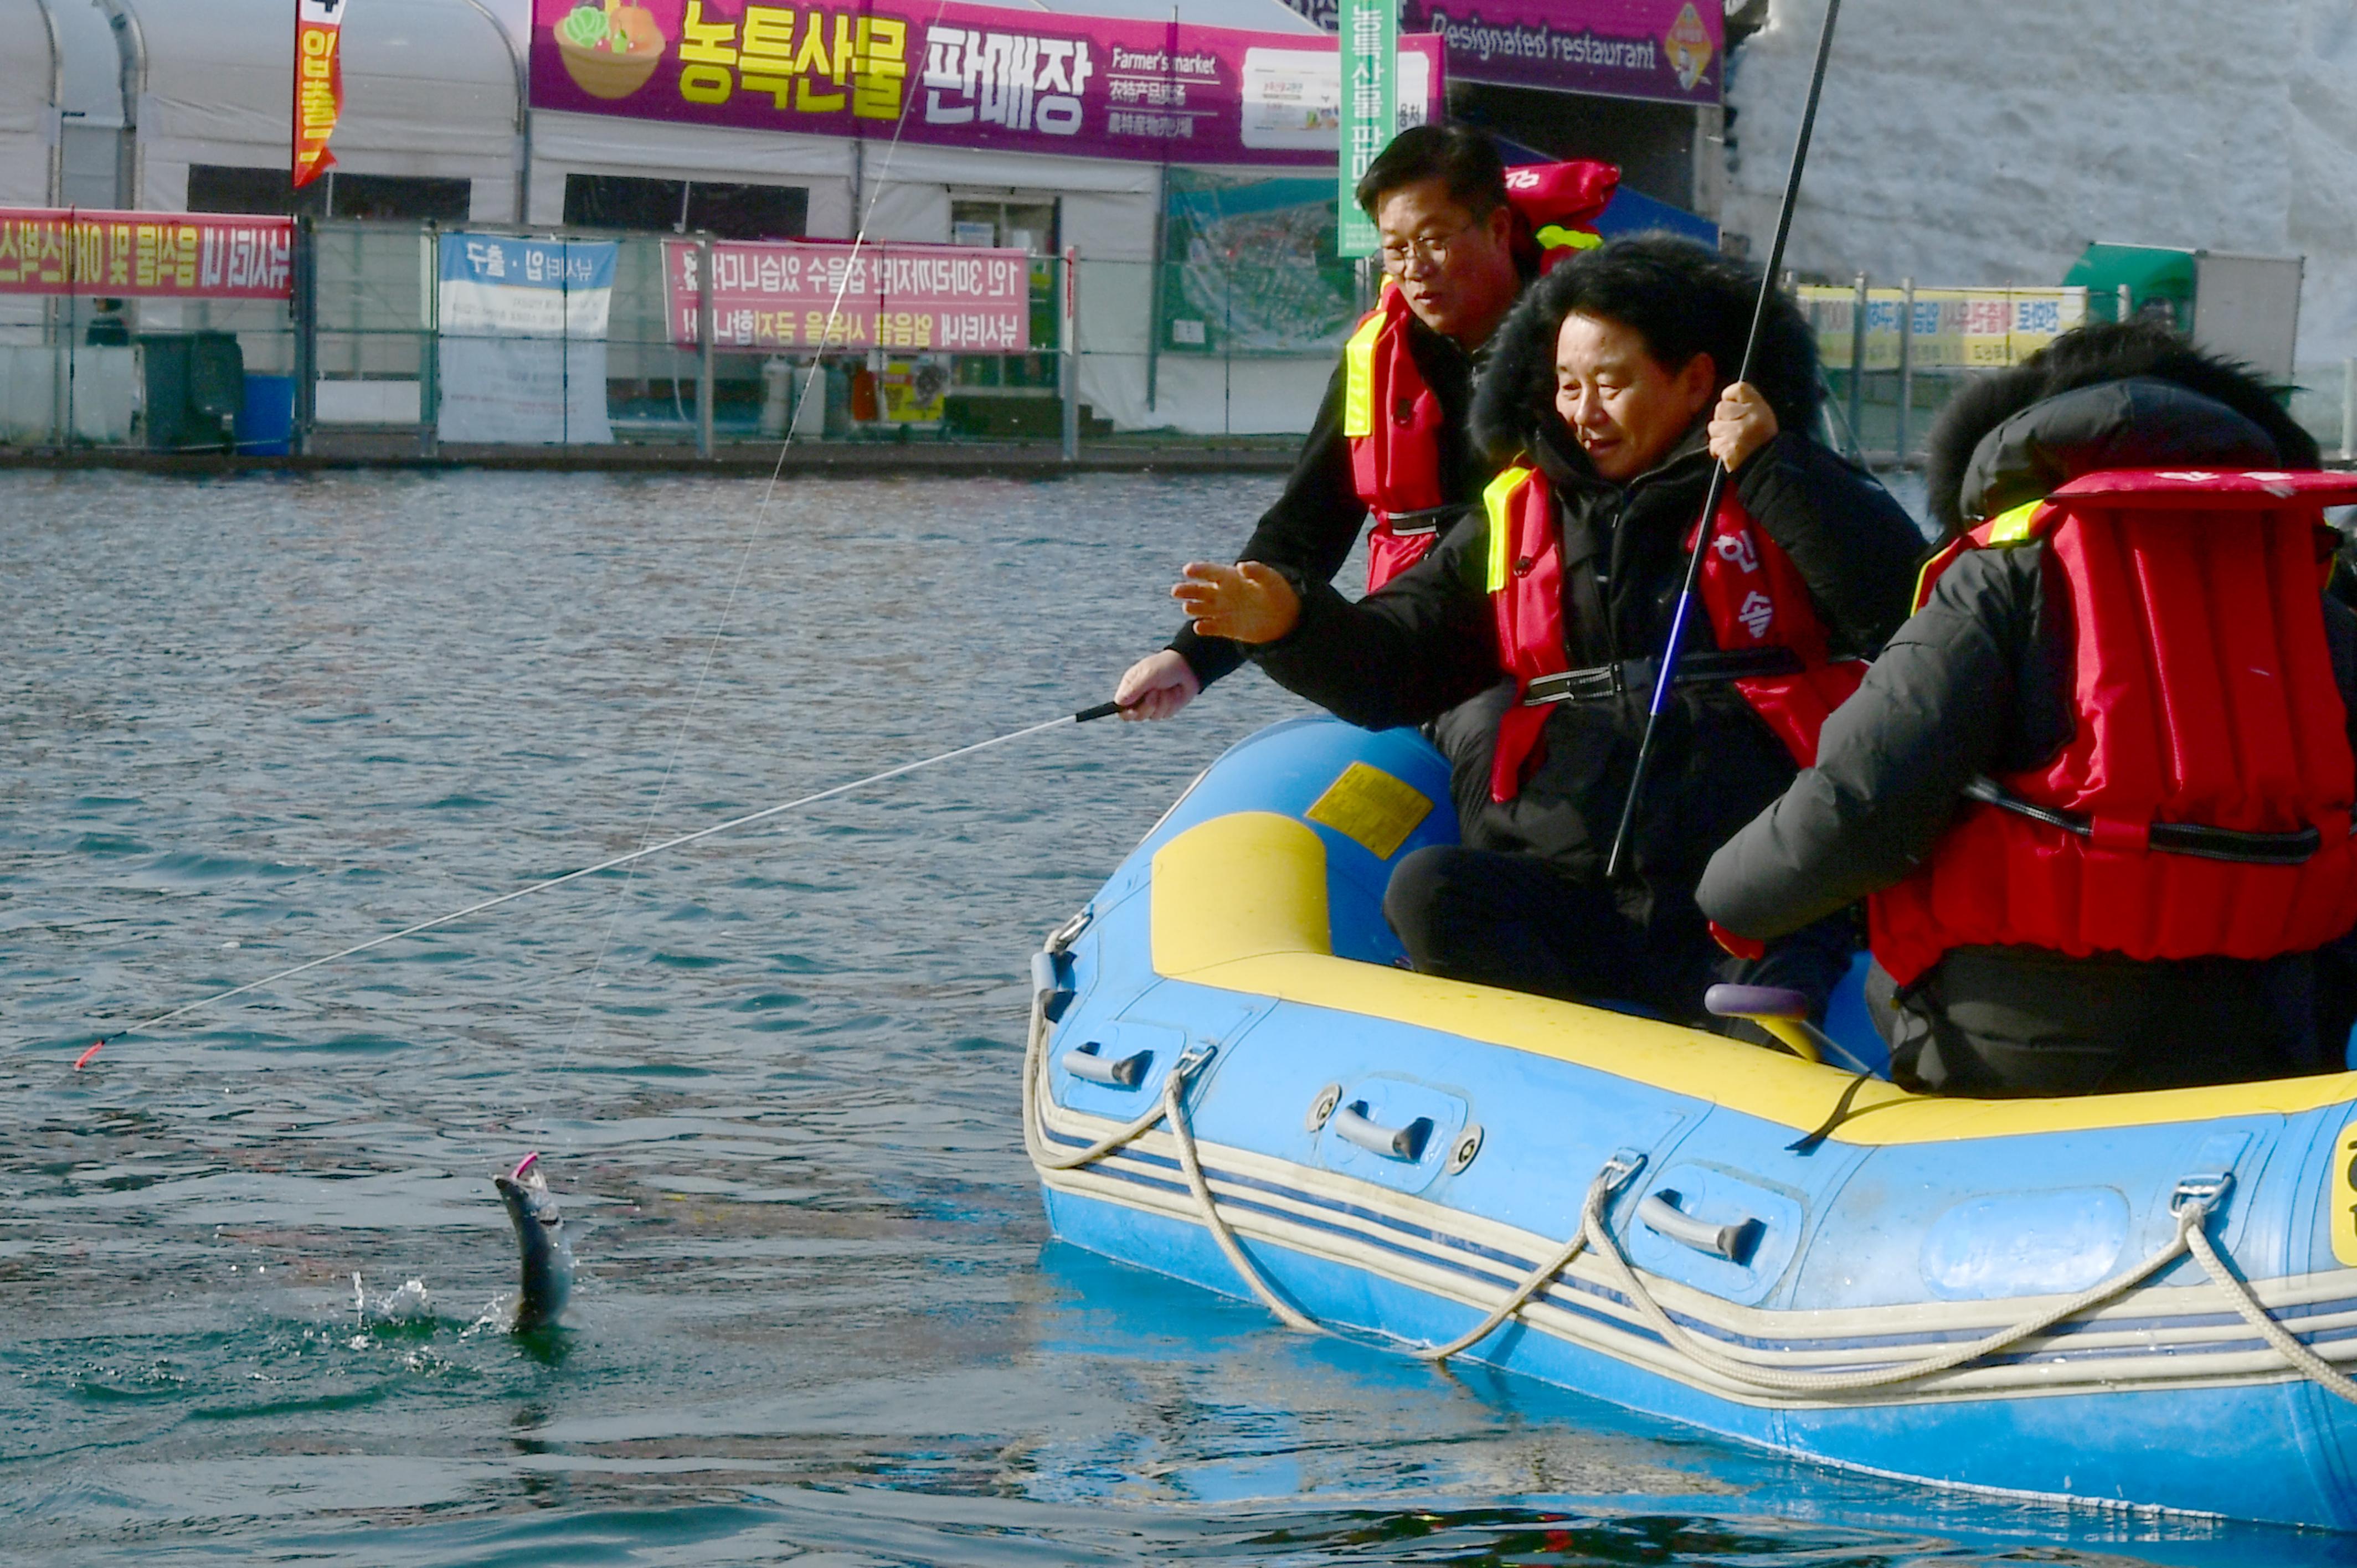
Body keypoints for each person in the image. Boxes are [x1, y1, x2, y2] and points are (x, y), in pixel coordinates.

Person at [1172, 235, 1924, 1027]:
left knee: (1782, 935)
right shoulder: (1518, 512)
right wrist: (1292, 624)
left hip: (1740, 892)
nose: (1583, 412)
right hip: (1573, 885)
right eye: (1567, 385)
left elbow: (1905, 608)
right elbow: (1398, 659)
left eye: (1612, 384)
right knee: (1432, 891)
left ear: (1697, 380)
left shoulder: (1787, 484)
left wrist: (1774, 469)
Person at [1698, 322, 2357, 1095]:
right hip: (2266, 1044)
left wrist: (1727, 901)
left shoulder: (2000, 580)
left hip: (2015, 1055)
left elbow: (1860, 805)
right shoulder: (2311, 606)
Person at [1112, 127, 1617, 721]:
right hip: (1399, 647)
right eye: (1395, 248)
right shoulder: (1376, 359)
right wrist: (1193, 658)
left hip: (1535, 642)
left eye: (1432, 241)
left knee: (1478, 726)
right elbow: (1305, 526)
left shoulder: (1581, 347)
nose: (1414, 268)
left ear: (1498, 229)